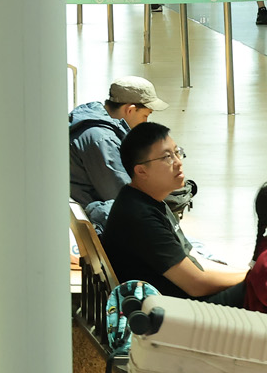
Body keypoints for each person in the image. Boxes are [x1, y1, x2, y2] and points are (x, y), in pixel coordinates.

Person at [102, 123, 243, 303]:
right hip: (173, 314)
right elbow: (196, 284)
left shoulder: (149, 199)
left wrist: (249, 274)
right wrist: (253, 279)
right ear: (141, 171)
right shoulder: (139, 216)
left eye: (177, 152)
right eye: (167, 157)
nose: (178, 162)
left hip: (179, 303)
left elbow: (195, 259)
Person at [70, 76, 167, 219]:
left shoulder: (93, 119)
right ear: (130, 110)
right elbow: (126, 194)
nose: (145, 122)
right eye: (145, 116)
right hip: (101, 223)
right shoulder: (101, 139)